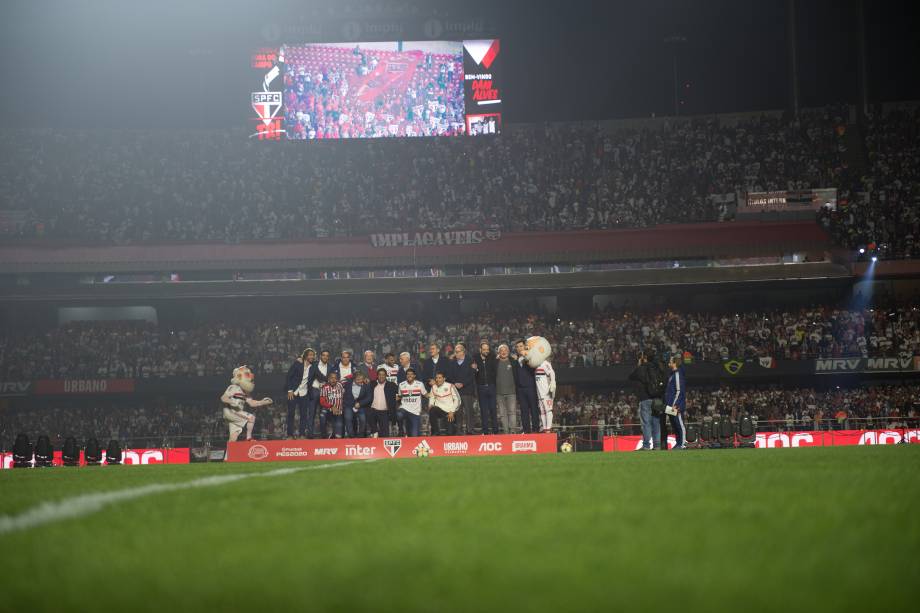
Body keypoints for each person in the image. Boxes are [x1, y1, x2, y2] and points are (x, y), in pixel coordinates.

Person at [221, 366, 272, 442]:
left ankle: (228, 453)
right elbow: (223, 398)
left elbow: (252, 403)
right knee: (251, 417)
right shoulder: (234, 387)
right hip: (231, 411)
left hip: (236, 414)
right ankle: (249, 438)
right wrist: (232, 402)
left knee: (233, 438)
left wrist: (263, 402)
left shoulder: (245, 392)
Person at [628, 351, 665, 450]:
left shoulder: (642, 368)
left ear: (644, 357)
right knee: (656, 422)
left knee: (646, 423)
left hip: (645, 399)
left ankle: (646, 445)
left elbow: (631, 376)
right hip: (657, 399)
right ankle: (657, 446)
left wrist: (639, 364)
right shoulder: (657, 367)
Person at [284, 348, 315, 438]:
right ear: (305, 356)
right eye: (310, 355)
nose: (311, 357)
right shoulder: (298, 363)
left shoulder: (314, 366)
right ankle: (290, 435)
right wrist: (290, 390)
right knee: (291, 414)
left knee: (304, 415)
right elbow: (289, 376)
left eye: (313, 355)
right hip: (293, 393)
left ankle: (302, 434)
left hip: (304, 394)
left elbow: (321, 374)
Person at [512, 339, 540, 433]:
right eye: (517, 347)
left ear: (525, 346)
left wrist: (527, 356)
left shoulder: (530, 357)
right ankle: (526, 430)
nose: (519, 348)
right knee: (524, 411)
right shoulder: (515, 360)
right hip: (520, 389)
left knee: (534, 409)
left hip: (530, 387)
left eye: (520, 346)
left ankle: (536, 429)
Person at [449, 343, 477, 434]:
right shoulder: (452, 362)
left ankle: (470, 430)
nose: (456, 353)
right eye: (455, 352)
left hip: (468, 390)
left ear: (463, 351)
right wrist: (455, 383)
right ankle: (459, 430)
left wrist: (463, 384)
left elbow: (472, 375)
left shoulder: (470, 361)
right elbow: (450, 376)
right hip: (456, 391)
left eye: (458, 351)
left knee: (469, 411)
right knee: (458, 412)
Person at [472, 341, 499, 434]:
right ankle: (485, 431)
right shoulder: (475, 359)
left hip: (492, 387)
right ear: (480, 350)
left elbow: (495, 372)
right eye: (484, 349)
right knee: (483, 411)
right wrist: (474, 369)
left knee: (493, 410)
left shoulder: (492, 357)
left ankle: (496, 431)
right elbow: (473, 374)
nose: (486, 351)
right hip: (481, 387)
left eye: (488, 349)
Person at [306, 349, 332, 438]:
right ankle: (310, 434)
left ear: (328, 357)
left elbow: (330, 379)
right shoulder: (314, 364)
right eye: (323, 355)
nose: (325, 357)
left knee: (323, 414)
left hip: (324, 392)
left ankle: (323, 434)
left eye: (327, 355)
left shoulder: (330, 367)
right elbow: (309, 377)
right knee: (311, 414)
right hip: (314, 390)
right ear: (320, 356)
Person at [665, 354, 687, 449]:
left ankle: (682, 444)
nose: (668, 362)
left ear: (674, 363)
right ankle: (678, 443)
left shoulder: (677, 374)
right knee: (674, 425)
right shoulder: (672, 374)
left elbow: (679, 391)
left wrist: (676, 405)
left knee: (679, 423)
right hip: (670, 405)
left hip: (675, 406)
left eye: (670, 360)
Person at [428, 371, 461, 435]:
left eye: (440, 378)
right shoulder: (433, 387)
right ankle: (436, 432)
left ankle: (453, 428)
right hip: (439, 410)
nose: (437, 380)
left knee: (450, 433)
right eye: (436, 378)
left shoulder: (450, 386)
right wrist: (430, 404)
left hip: (449, 411)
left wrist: (452, 411)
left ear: (444, 378)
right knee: (432, 410)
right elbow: (432, 397)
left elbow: (458, 400)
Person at [494, 344, 518, 433]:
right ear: (498, 352)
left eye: (505, 350)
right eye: (501, 350)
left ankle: (513, 431)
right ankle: (506, 432)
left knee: (512, 412)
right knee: (502, 414)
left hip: (512, 392)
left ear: (508, 352)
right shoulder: (495, 362)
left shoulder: (513, 361)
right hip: (499, 393)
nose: (503, 352)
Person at [369, 368, 398, 438]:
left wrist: (398, 398)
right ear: (377, 376)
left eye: (383, 375)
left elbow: (400, 393)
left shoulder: (392, 385)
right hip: (372, 411)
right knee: (374, 433)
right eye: (380, 375)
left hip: (384, 412)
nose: (381, 376)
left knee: (385, 435)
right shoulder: (372, 384)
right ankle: (374, 440)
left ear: (386, 376)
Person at [397, 368, 427, 437]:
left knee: (414, 435)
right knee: (398, 414)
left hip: (415, 412)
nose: (409, 375)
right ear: (406, 375)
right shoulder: (401, 385)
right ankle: (401, 430)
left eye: (411, 374)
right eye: (408, 374)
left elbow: (426, 395)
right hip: (404, 409)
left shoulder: (420, 384)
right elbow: (399, 396)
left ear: (414, 376)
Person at [346, 371, 373, 437]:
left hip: (361, 405)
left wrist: (360, 404)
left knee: (363, 419)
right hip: (349, 405)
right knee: (348, 418)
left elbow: (369, 398)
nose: (360, 381)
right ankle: (351, 436)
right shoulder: (348, 384)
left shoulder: (366, 384)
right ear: (354, 379)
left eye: (361, 379)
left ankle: (360, 436)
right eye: (358, 379)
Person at [318, 371, 345, 439]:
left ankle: (336, 436)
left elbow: (351, 376)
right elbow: (322, 401)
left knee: (338, 435)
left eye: (335, 378)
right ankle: (324, 436)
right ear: (328, 379)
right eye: (331, 378)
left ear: (337, 379)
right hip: (328, 409)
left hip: (338, 410)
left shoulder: (340, 385)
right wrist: (331, 406)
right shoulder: (325, 387)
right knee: (322, 415)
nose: (333, 380)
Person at [533, 355, 556, 433]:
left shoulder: (545, 363)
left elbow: (551, 373)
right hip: (539, 391)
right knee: (542, 411)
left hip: (546, 391)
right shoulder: (535, 364)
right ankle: (545, 427)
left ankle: (548, 429)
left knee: (548, 410)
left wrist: (552, 384)